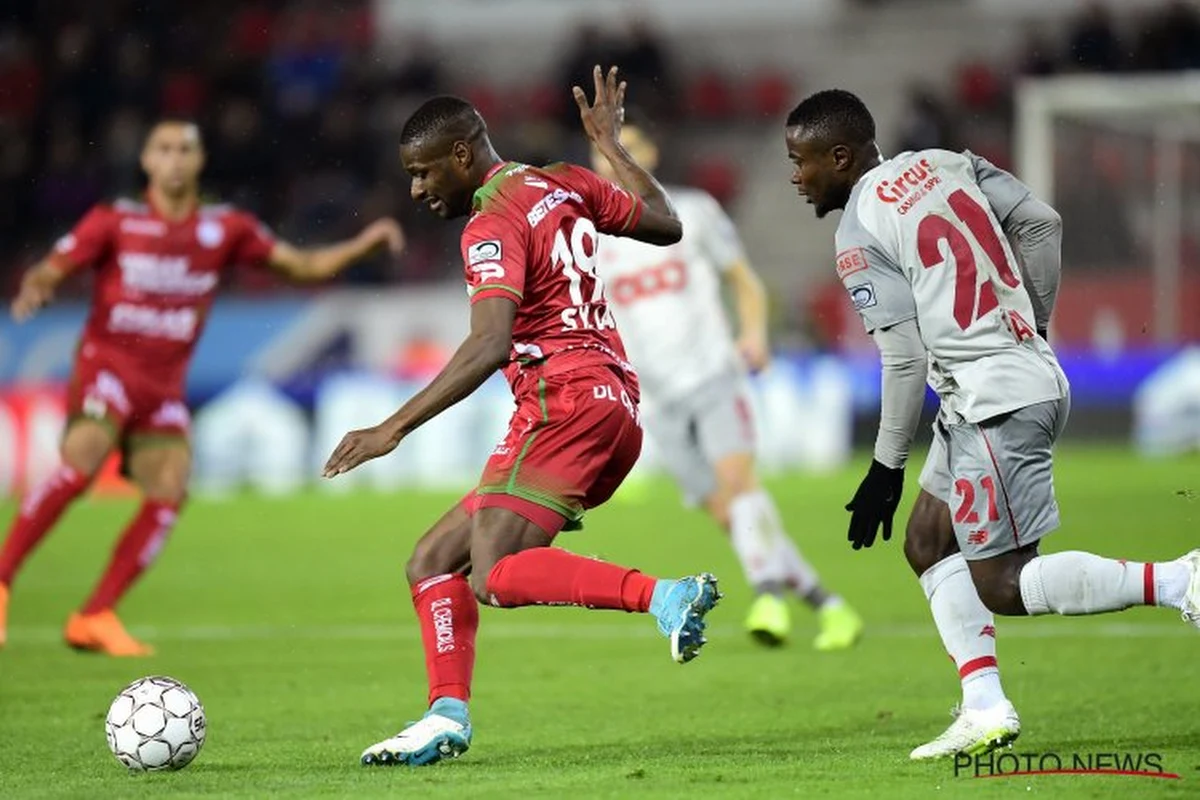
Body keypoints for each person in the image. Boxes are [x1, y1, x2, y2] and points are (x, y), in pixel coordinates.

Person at [321, 67, 722, 768]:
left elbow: (489, 342)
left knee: (495, 571)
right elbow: (665, 222)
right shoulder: (563, 179)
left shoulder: (490, 220)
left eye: (422, 173)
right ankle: (446, 714)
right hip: (614, 406)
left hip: (561, 404)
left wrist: (391, 429)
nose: (417, 190)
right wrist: (612, 146)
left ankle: (664, 595)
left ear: (461, 156)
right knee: (432, 561)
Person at [783, 89, 1200, 759]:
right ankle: (984, 706)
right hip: (1001, 385)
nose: (794, 178)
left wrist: (886, 468)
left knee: (1003, 583)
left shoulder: (858, 230)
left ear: (840, 156)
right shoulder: (950, 163)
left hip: (993, 400)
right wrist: (1028, 326)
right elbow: (1043, 224)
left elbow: (904, 358)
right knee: (926, 540)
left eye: (800, 161)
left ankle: (1182, 581)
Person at [1, 120, 404, 656]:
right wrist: (38, 284)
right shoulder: (115, 220)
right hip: (108, 368)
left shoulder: (225, 228)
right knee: (82, 461)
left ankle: (94, 616)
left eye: (184, 149)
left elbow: (300, 266)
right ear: (146, 161)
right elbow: (55, 266)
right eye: (163, 149)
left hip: (163, 387)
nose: (173, 159)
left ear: (198, 161)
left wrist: (361, 247)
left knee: (170, 487)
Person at [590, 114, 862, 649]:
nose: (614, 160)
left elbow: (744, 282)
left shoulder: (691, 212)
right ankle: (828, 606)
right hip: (657, 400)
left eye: (628, 148)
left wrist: (754, 335)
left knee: (742, 487)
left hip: (713, 374)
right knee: (734, 519)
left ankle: (767, 597)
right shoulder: (594, 236)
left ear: (650, 156)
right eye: (604, 152)